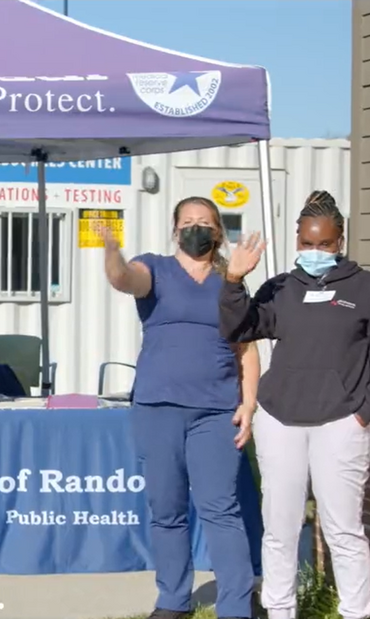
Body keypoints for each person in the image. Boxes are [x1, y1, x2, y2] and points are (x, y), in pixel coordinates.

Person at [220, 190, 370, 619]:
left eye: (325, 244)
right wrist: (233, 281)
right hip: (280, 420)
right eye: (307, 243)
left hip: (342, 424)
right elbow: (238, 327)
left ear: (341, 241)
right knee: (280, 530)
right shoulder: (282, 287)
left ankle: (357, 612)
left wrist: (364, 412)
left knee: (344, 531)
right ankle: (280, 610)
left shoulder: (368, 288)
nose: (316, 251)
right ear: (297, 240)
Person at [100, 196, 259, 619]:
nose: (195, 229)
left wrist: (248, 403)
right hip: (158, 407)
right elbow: (125, 279)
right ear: (175, 229)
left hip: (215, 412)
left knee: (221, 510)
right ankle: (173, 601)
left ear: (218, 232)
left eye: (204, 223)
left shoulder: (231, 279)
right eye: (187, 222)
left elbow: (246, 348)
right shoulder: (156, 268)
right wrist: (112, 256)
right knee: (166, 510)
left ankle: (236, 607)